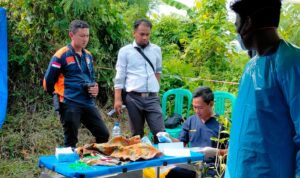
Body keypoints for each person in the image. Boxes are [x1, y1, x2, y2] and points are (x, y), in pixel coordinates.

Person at [225, 0, 300, 177]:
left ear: (248, 23)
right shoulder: (251, 67)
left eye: (237, 23)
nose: (237, 31)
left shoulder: (291, 63)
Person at [43, 20, 109, 148]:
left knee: (103, 134)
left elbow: (91, 78)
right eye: (82, 36)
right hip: (69, 103)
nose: (85, 39)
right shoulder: (61, 55)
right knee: (71, 141)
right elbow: (48, 82)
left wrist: (95, 88)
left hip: (87, 103)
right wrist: (59, 97)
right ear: (71, 35)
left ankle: (94, 161)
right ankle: (71, 166)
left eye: (87, 36)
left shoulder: (88, 55)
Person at [113, 18, 165, 143]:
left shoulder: (156, 50)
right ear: (134, 33)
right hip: (133, 98)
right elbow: (120, 76)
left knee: (161, 133)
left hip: (152, 98)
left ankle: (160, 161)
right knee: (136, 135)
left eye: (147, 34)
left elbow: (158, 71)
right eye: (142, 34)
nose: (145, 37)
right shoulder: (125, 51)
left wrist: (155, 88)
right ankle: (141, 160)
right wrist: (118, 99)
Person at [161, 87, 228, 178]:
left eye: (200, 108)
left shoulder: (223, 123)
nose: (197, 111)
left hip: (213, 167)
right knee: (172, 174)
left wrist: (216, 152)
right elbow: (181, 144)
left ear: (211, 104)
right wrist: (169, 138)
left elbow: (232, 152)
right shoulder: (191, 121)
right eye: (194, 107)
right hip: (192, 164)